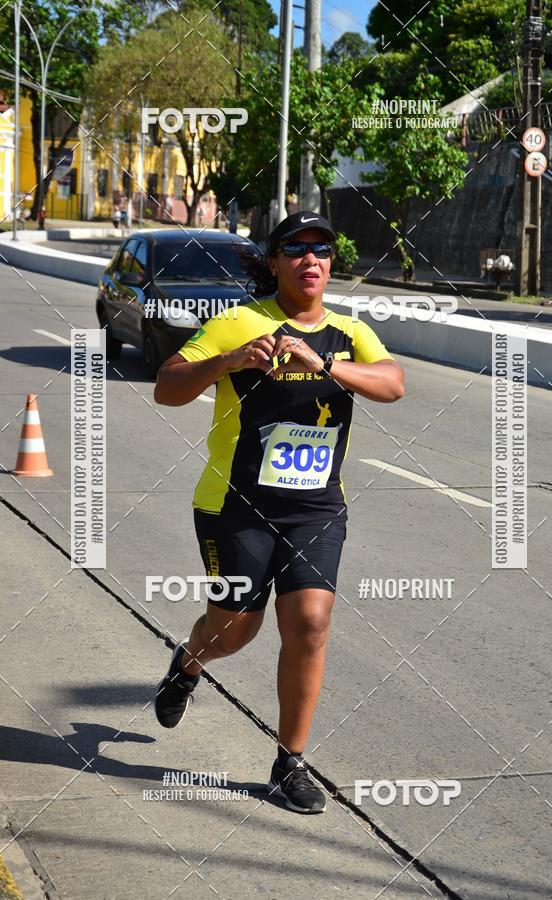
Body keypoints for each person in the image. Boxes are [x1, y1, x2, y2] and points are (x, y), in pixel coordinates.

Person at [153, 212, 405, 814]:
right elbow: (167, 385)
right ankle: (188, 664)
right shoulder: (240, 322)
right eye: (296, 250)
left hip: (316, 507)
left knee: (311, 623)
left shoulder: (348, 331)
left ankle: (288, 762)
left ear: (331, 263)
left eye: (322, 249)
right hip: (235, 504)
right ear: (274, 262)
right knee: (234, 629)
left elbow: (393, 383)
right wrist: (231, 361)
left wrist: (327, 367)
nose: (310, 260)